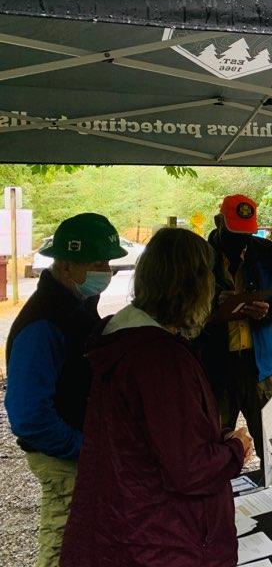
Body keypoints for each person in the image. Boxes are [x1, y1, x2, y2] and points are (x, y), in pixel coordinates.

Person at [60, 227, 253, 567]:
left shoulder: (124, 339)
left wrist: (213, 438)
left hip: (132, 523)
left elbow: (161, 435)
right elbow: (190, 470)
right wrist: (235, 449)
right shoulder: (160, 358)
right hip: (162, 538)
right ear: (195, 285)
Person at [5, 213, 124, 567]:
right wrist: (81, 447)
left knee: (91, 538)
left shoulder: (76, 305)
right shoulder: (43, 323)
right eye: (98, 262)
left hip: (80, 447)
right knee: (64, 541)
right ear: (68, 265)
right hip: (62, 456)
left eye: (108, 262)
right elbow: (28, 418)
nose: (106, 270)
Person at [198, 194, 272, 464]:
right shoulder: (202, 257)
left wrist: (270, 311)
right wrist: (211, 306)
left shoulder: (266, 252)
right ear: (219, 222)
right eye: (235, 232)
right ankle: (220, 505)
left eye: (247, 232)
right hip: (215, 368)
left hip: (260, 366)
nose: (242, 239)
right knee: (211, 447)